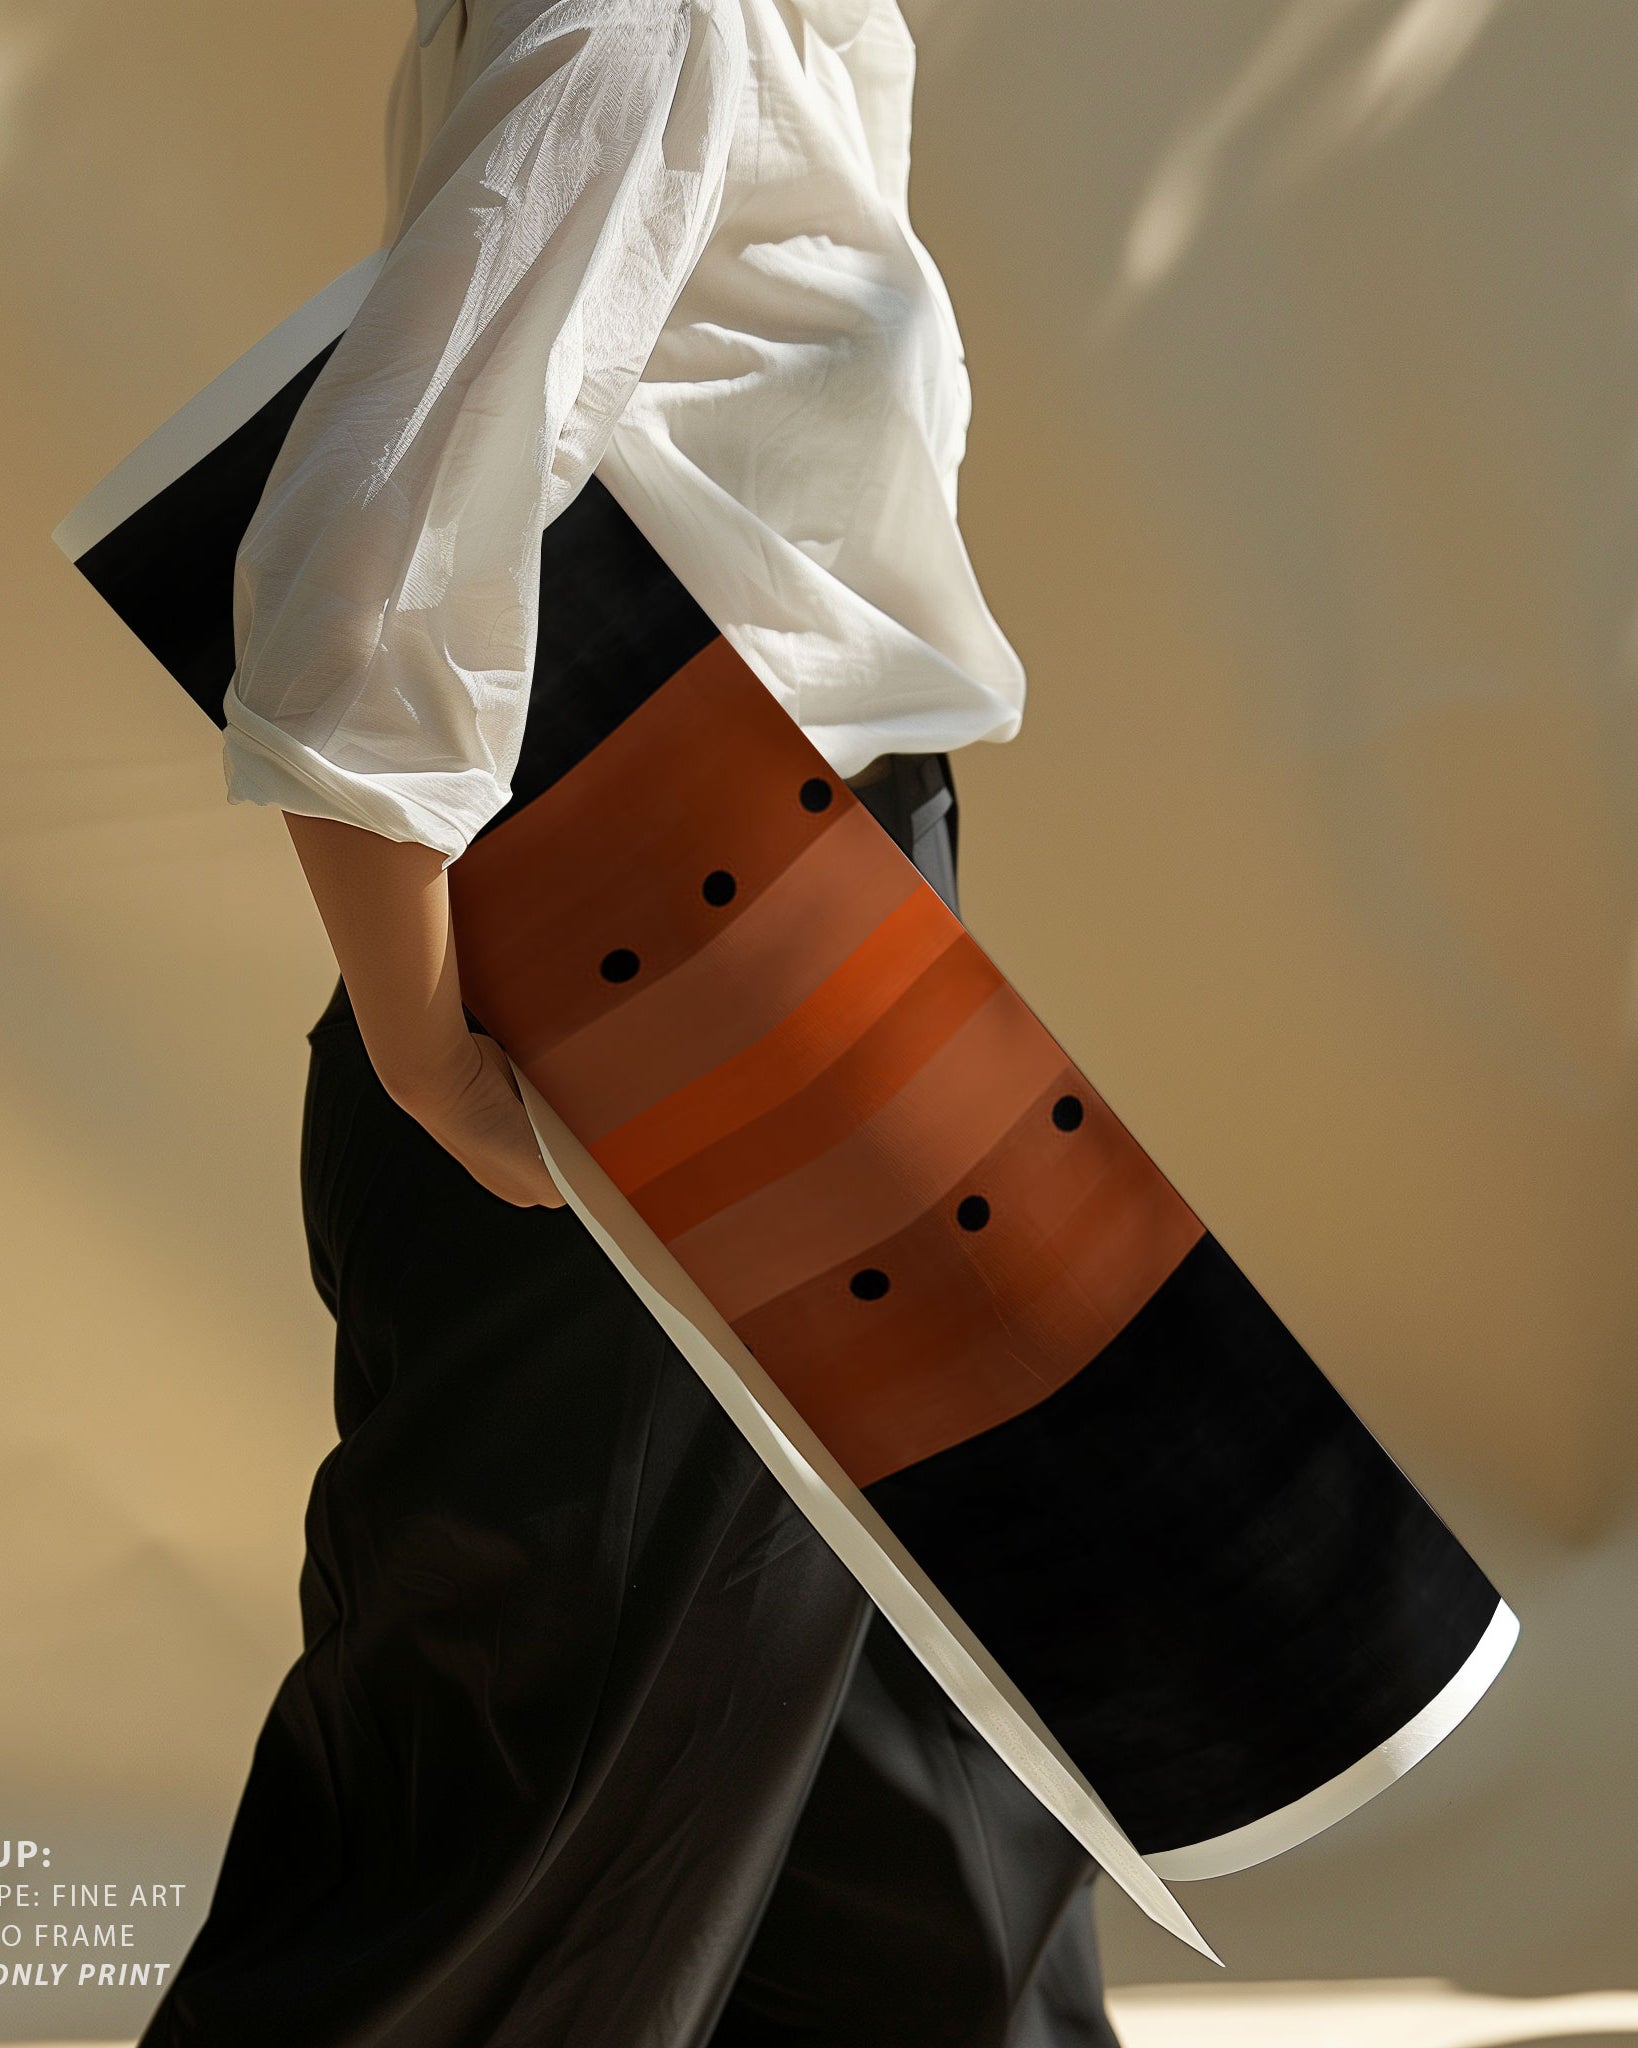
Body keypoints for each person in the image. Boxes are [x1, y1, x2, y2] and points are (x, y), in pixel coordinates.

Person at [134, 0, 1124, 2042]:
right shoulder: (648, 17)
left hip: (838, 935)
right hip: (664, 972)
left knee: (938, 1811)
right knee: (503, 1850)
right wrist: (425, 1048)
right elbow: (371, 541)